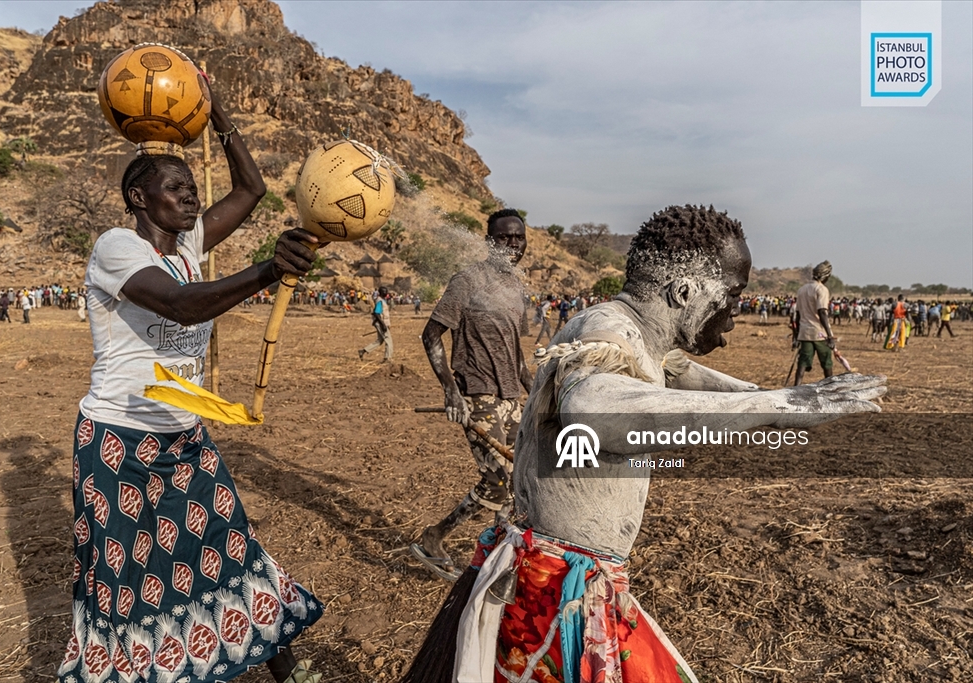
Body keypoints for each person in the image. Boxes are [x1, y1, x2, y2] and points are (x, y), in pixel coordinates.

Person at [401, 204, 887, 683]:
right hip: (555, 590)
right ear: (684, 291)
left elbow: (677, 372)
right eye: (732, 298)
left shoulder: (634, 336)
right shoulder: (605, 331)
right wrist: (786, 409)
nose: (733, 319)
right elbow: (592, 409)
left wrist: (774, 401)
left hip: (567, 575)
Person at [58, 83, 324, 683]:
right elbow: (180, 306)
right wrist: (266, 269)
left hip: (184, 437)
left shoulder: (189, 246)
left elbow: (251, 190)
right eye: (174, 188)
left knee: (235, 556)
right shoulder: (116, 247)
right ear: (138, 196)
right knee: (122, 587)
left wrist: (217, 113)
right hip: (117, 444)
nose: (189, 197)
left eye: (191, 188)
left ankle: (290, 672)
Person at [410, 208, 533, 582]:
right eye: (504, 237)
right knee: (497, 480)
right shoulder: (467, 281)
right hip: (477, 395)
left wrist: (540, 393)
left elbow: (517, 354)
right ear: (488, 241)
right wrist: (451, 390)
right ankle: (435, 536)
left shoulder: (516, 288)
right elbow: (431, 335)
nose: (513, 244)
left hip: (512, 398)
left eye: (518, 237)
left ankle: (500, 557)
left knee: (517, 482)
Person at [793, 261, 836, 385]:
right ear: (825, 275)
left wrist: (796, 335)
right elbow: (822, 312)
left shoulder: (802, 289)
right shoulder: (821, 289)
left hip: (804, 332)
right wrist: (830, 335)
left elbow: (798, 315)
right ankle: (829, 388)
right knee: (827, 364)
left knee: (802, 364)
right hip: (819, 332)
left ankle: (796, 388)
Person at [358, 286, 393, 361]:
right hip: (380, 323)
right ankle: (387, 358)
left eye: (386, 291)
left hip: (381, 322)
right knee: (388, 340)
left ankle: (363, 351)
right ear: (380, 293)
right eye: (384, 291)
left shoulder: (382, 300)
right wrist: (383, 324)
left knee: (380, 341)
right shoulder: (379, 301)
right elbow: (377, 313)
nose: (386, 292)